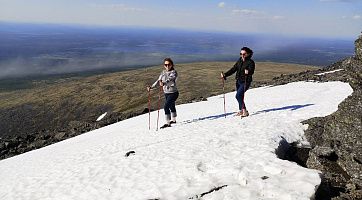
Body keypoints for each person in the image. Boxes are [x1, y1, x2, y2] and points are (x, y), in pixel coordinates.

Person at [221, 47, 255, 117]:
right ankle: (241, 111)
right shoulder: (239, 60)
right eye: (241, 54)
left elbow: (252, 71)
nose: (242, 55)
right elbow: (233, 69)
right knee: (240, 96)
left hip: (246, 82)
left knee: (238, 96)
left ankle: (245, 111)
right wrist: (225, 74)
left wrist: (248, 72)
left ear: (248, 54)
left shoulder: (250, 62)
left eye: (244, 54)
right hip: (238, 81)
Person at [147, 58, 179, 128]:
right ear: (164, 65)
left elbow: (171, 79)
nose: (167, 66)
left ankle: (168, 123)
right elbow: (158, 81)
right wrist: (151, 87)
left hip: (173, 93)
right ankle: (174, 120)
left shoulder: (174, 72)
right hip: (166, 93)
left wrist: (164, 83)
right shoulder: (163, 72)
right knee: (171, 105)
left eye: (169, 64)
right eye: (165, 65)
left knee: (166, 107)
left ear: (172, 65)